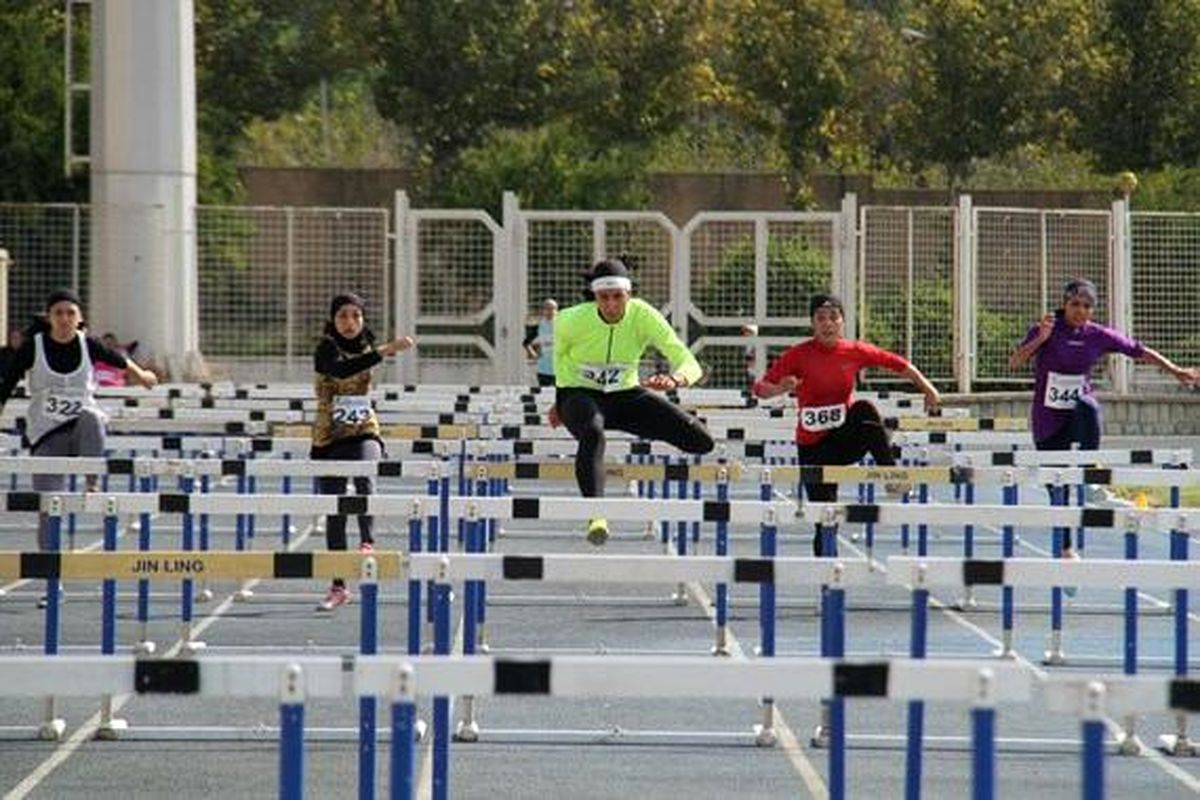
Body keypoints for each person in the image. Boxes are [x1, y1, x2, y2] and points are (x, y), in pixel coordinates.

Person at [1009, 277, 1197, 552]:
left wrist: (1176, 370)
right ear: (1065, 303)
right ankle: (1065, 550)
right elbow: (1014, 362)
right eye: (1075, 304)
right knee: (1058, 489)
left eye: (1087, 306)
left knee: (1088, 406)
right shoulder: (1046, 328)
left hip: (1077, 415)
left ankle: (1090, 472)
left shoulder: (1097, 334)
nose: (1081, 311)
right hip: (1047, 419)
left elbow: (1139, 351)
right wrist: (1040, 339)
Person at [0, 289, 158, 604]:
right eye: (58, 313)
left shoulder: (89, 344)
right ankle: (51, 582)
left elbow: (119, 359)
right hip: (47, 434)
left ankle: (92, 479)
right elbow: (6, 382)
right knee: (48, 508)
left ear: (80, 319)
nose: (64, 319)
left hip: (84, 432)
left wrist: (142, 374)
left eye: (70, 313)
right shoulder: (35, 346)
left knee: (92, 415)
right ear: (49, 318)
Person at [753, 293, 940, 556]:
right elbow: (759, 388)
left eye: (833, 318)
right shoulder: (799, 355)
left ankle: (891, 475)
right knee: (825, 519)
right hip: (813, 447)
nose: (827, 324)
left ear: (842, 322)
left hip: (844, 439)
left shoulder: (854, 350)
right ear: (812, 324)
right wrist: (778, 389)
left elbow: (898, 364)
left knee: (864, 409)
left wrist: (928, 388)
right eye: (821, 319)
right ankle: (826, 580)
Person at [552, 258, 715, 545]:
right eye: (604, 298)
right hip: (580, 394)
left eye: (618, 297)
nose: (612, 305)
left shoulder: (644, 315)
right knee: (592, 432)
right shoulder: (569, 320)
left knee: (701, 441)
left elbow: (687, 360)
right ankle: (596, 515)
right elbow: (560, 365)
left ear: (629, 295)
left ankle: (671, 421)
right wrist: (560, 403)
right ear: (594, 297)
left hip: (625, 397)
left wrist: (675, 379)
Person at [312, 292, 415, 611]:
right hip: (329, 434)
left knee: (366, 473)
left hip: (363, 428)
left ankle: (367, 542)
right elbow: (342, 371)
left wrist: (380, 350)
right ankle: (338, 585)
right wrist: (386, 350)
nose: (350, 322)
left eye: (356, 316)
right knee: (335, 512)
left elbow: (362, 363)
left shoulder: (367, 346)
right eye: (343, 316)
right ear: (333, 320)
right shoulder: (325, 348)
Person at [522, 298, 558, 386]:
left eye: (552, 309)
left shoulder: (562, 324)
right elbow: (526, 343)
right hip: (543, 368)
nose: (550, 311)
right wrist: (533, 353)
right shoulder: (539, 326)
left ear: (556, 310)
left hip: (559, 368)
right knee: (544, 395)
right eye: (547, 309)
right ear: (543, 311)